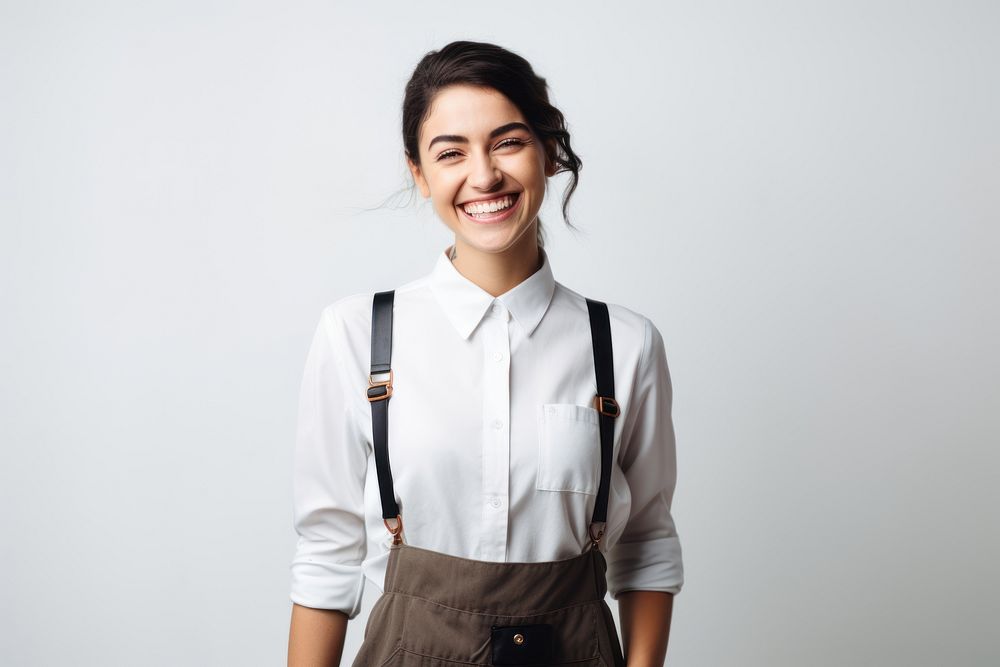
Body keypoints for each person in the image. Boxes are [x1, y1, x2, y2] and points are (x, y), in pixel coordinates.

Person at [287, 40, 683, 667]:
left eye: (508, 142)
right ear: (419, 173)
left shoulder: (626, 345)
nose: (484, 175)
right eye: (450, 153)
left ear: (549, 152)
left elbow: (647, 547)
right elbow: (326, 554)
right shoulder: (356, 335)